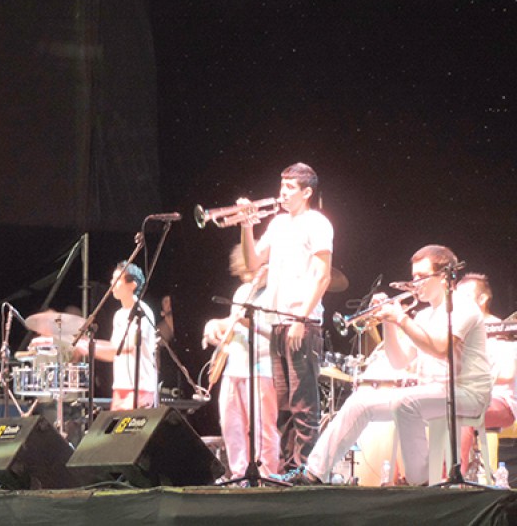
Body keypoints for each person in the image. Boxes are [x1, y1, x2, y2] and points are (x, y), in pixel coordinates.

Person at [291, 244, 491, 485]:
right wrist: (389, 322)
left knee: (405, 403)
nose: (414, 283)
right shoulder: (424, 316)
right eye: (413, 276)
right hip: (434, 392)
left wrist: (401, 318)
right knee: (360, 402)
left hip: (468, 393)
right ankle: (314, 473)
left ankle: (421, 483)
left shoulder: (462, 306)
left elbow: (441, 349)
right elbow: (399, 361)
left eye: (421, 276)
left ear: (443, 277)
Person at [240, 162, 333, 472]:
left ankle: (307, 469)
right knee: (284, 403)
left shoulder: (317, 223)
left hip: (301, 322)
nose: (282, 193)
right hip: (278, 322)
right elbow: (253, 262)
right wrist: (246, 226)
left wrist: (300, 318)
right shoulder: (278, 224)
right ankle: (286, 468)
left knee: (304, 403)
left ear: (306, 193)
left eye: (290, 188)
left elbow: (323, 276)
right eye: (282, 186)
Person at [202, 245, 279, 479]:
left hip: (262, 369)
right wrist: (214, 324)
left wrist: (250, 323)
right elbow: (233, 321)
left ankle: (266, 477)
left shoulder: (276, 292)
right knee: (232, 427)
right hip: (234, 368)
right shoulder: (242, 291)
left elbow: (278, 334)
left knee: (263, 431)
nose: (249, 275)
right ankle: (239, 477)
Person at [455, 273, 517, 477]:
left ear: (482, 299)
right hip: (465, 396)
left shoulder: (502, 331)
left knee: (460, 411)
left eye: (465, 297)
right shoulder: (459, 332)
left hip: (500, 402)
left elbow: (507, 374)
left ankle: (456, 478)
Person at [80, 262, 157, 410]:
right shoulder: (119, 315)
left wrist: (90, 347)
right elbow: (113, 351)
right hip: (120, 386)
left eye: (117, 280)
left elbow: (125, 348)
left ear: (132, 285)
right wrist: (88, 344)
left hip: (140, 387)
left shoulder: (142, 312)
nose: (112, 284)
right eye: (112, 279)